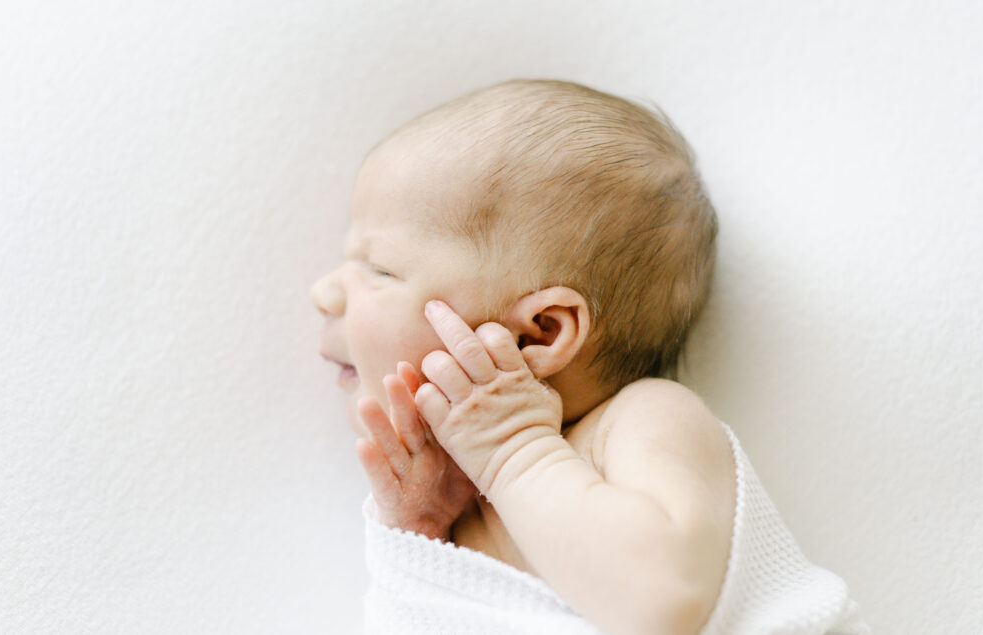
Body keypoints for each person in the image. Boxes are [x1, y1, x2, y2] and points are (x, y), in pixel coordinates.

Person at [311, 80, 868, 634]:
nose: (325, 292)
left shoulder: (638, 420)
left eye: (379, 269)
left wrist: (515, 451)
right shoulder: (457, 499)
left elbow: (663, 603)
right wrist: (422, 533)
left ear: (538, 336)